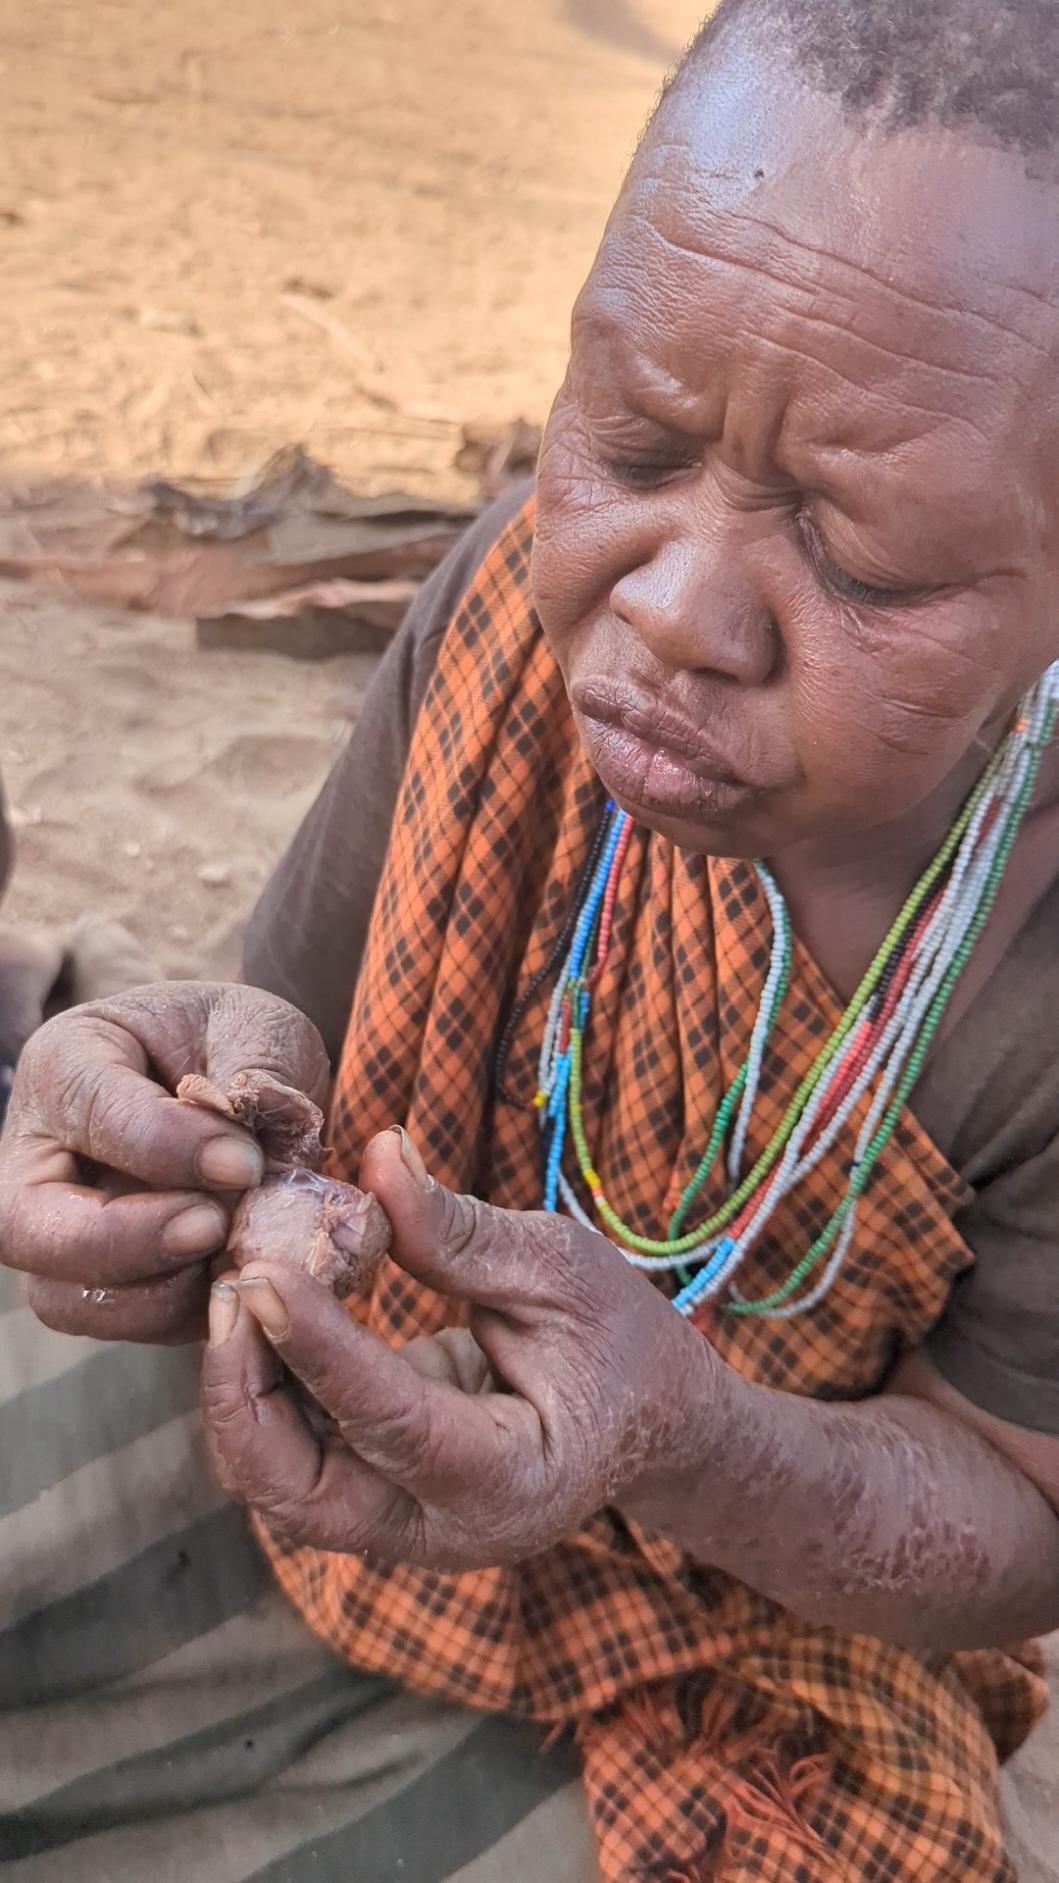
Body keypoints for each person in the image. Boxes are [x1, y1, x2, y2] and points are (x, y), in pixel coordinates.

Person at [4, 2, 1059, 1877]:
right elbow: (293, 1038)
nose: (672, 611)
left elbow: (1015, 1508)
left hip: (762, 1611)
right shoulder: (504, 616)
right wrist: (153, 1111)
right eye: (632, 440)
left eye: (863, 563)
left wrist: (684, 1445)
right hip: (305, 1399)